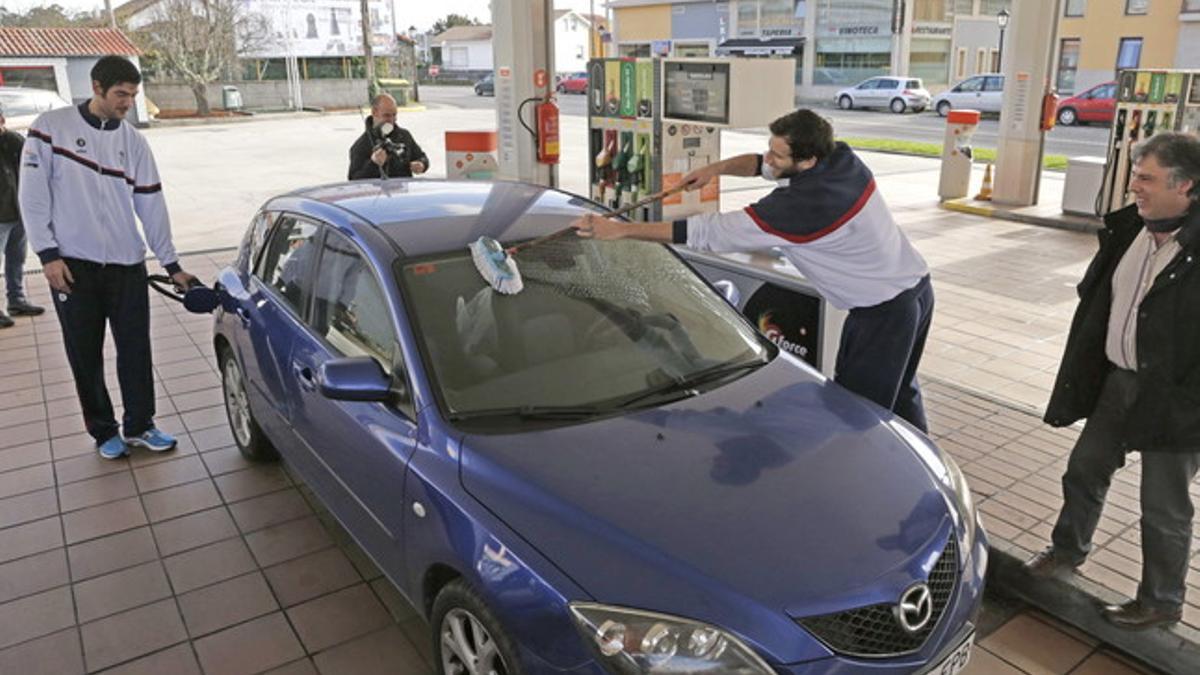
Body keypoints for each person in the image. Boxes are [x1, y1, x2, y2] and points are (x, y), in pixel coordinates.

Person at [572, 109, 934, 431]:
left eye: (779, 155)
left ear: (807, 161)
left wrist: (620, 230)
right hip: (917, 287)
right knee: (900, 391)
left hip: (883, 313)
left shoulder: (802, 207)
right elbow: (759, 163)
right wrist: (714, 170)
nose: (769, 160)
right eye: (771, 148)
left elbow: (705, 232)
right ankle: (930, 467)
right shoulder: (841, 159)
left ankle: (867, 484)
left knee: (858, 416)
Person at [1023, 132, 1200, 630]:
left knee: (1163, 508)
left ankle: (1161, 602)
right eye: (1134, 175)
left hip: (1177, 400)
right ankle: (1065, 552)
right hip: (1119, 384)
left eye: (1146, 178)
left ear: (1186, 187)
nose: (1134, 187)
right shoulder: (1128, 231)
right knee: (1084, 469)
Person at [19, 55, 196, 460]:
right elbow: (32, 197)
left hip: (126, 265)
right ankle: (103, 431)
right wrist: (47, 254)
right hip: (72, 266)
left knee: (136, 348)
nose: (127, 103)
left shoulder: (133, 141)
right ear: (97, 87)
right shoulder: (50, 129)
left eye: (133, 95)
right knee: (85, 354)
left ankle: (140, 425)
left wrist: (171, 264)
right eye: (121, 94)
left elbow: (150, 204)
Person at [0, 105, 44, 328]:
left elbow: (32, 171)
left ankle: (16, 300)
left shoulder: (15, 140)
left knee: (16, 260)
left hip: (18, 213)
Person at [348, 93, 429, 180]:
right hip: (377, 192)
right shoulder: (361, 145)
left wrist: (421, 164)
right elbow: (354, 180)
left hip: (403, 192)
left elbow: (422, 157)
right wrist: (373, 164)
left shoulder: (404, 136)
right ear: (374, 112)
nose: (391, 120)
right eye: (386, 115)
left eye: (394, 115)